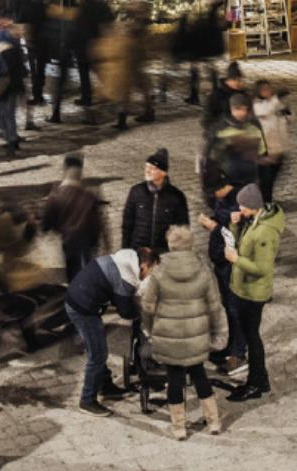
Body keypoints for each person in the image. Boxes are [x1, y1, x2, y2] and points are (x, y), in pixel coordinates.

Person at [139, 225, 229, 439]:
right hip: (196, 333)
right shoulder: (203, 270)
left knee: (175, 378)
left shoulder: (159, 272)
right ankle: (213, 421)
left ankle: (179, 427)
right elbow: (215, 305)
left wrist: (150, 331)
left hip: (168, 334)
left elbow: (148, 306)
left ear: (170, 246)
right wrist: (220, 335)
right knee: (199, 374)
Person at [65, 248, 146, 416]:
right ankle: (87, 400)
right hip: (82, 308)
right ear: (144, 265)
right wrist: (143, 311)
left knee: (96, 347)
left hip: (78, 298)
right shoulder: (126, 277)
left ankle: (105, 387)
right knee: (98, 354)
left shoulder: (123, 259)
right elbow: (125, 311)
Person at [224, 183, 284, 401]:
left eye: (242, 205)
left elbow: (262, 268)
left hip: (253, 293)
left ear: (253, 206)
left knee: (253, 338)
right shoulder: (255, 221)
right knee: (250, 336)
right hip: (244, 288)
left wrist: (235, 259)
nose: (240, 208)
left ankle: (255, 384)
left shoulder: (265, 233)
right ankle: (262, 379)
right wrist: (234, 227)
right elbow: (242, 243)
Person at [42, 155, 106, 280]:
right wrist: (95, 241)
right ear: (80, 172)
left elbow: (47, 222)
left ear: (65, 169)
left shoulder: (56, 195)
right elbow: (96, 223)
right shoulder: (89, 196)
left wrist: (52, 227)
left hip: (69, 240)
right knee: (87, 271)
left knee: (72, 271)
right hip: (86, 242)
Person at [123, 149, 190, 255]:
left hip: (163, 253)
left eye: (153, 168)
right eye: (146, 166)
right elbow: (127, 224)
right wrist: (125, 250)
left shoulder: (177, 197)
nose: (147, 171)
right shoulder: (136, 191)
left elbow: (182, 229)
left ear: (163, 172)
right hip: (139, 251)